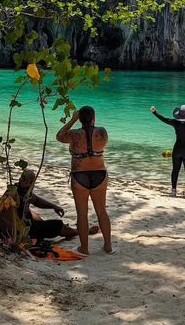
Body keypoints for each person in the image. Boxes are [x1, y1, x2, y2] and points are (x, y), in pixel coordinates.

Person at [56, 106, 113, 256]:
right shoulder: (102, 132)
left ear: (80, 118)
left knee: (82, 214)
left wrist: (73, 120)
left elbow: (59, 135)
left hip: (79, 174)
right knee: (101, 211)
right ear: (94, 118)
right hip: (99, 174)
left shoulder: (74, 134)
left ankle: (84, 248)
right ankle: (108, 246)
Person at [0, 170, 99, 242]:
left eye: (31, 182)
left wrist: (54, 206)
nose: (27, 185)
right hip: (12, 231)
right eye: (25, 181)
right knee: (57, 225)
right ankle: (82, 232)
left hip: (20, 224)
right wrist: (13, 239)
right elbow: (2, 220)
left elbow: (37, 201)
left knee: (32, 213)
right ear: (20, 179)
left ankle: (49, 228)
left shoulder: (25, 191)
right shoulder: (13, 193)